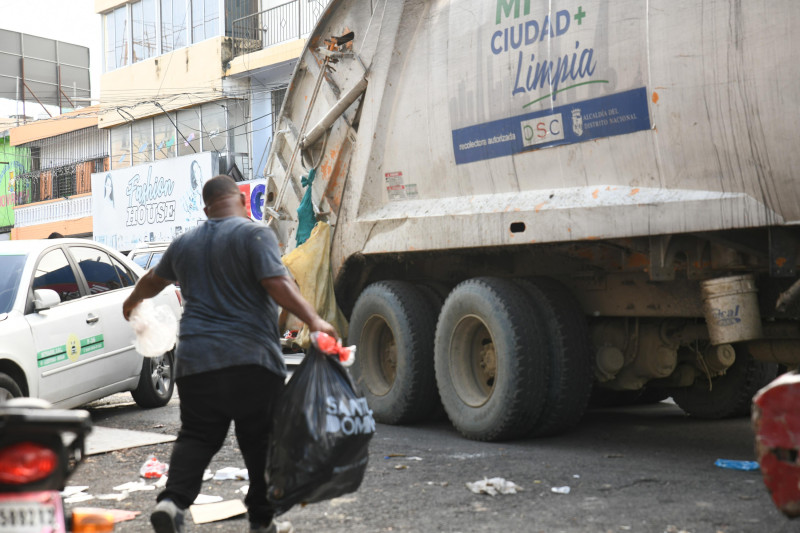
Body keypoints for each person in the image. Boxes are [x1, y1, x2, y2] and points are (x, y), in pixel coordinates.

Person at [122, 175, 336, 533]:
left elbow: (152, 279)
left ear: (206, 208)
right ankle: (260, 521)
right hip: (251, 360)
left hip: (195, 364)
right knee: (261, 442)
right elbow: (277, 281)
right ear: (238, 198)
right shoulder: (254, 234)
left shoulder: (184, 243)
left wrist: (132, 302)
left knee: (197, 436)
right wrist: (313, 319)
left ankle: (172, 502)